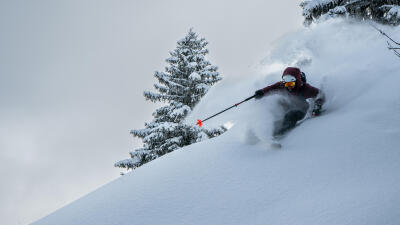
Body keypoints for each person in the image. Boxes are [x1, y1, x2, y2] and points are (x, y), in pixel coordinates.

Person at [254, 67, 324, 137]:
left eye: (291, 84)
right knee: (277, 108)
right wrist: (261, 92)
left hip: (301, 109)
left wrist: (317, 106)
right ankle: (260, 132)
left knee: (291, 115)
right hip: (288, 106)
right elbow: (271, 88)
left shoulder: (305, 88)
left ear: (297, 81)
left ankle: (279, 134)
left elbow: (320, 95)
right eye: (286, 84)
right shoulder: (282, 86)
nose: (288, 87)